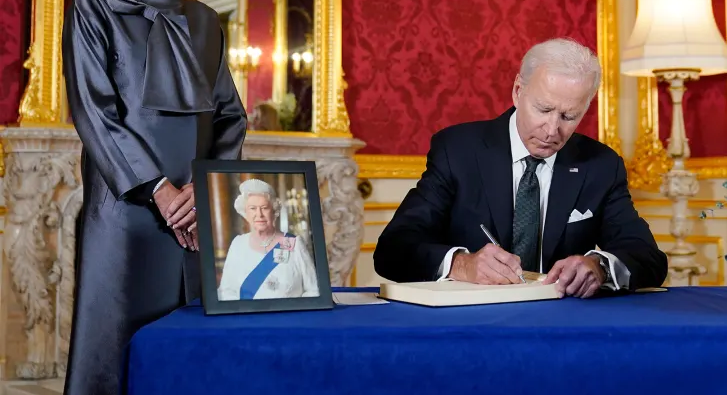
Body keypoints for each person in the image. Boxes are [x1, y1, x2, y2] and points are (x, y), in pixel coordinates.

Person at [61, 0, 247, 395]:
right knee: (115, 345)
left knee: (189, 348)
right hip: (126, 213)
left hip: (193, 212)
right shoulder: (91, 8)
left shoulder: (206, 21)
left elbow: (230, 115)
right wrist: (160, 191)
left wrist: (203, 191)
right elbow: (95, 112)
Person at [373, 38, 667, 298]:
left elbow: (649, 258)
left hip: (561, 327)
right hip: (470, 323)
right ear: (517, 91)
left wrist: (599, 267)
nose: (553, 130)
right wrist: (462, 265)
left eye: (569, 116)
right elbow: (393, 250)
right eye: (544, 109)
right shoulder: (458, 150)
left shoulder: (601, 165)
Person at [217, 178, 320, 300]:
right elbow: (226, 291)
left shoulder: (294, 243)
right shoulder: (238, 244)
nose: (259, 214)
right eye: (253, 208)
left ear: (274, 211)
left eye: (264, 208)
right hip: (248, 318)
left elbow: (314, 290)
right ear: (246, 213)